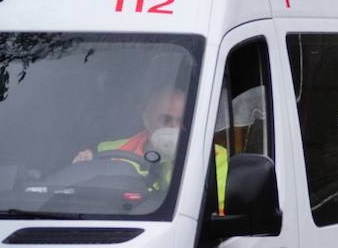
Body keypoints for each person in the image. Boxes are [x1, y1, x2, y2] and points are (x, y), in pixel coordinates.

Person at [74, 84, 227, 202]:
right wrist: (81, 169)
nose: (174, 127)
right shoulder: (109, 151)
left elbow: (214, 213)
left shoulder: (213, 157)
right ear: (146, 119)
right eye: (166, 120)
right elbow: (89, 199)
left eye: (182, 121)